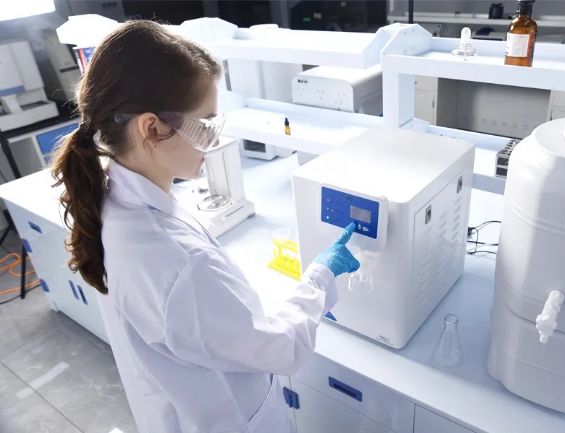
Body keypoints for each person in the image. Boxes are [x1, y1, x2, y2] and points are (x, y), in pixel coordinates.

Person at [51, 20, 360, 433]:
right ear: (151, 127)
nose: (212, 141)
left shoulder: (113, 197)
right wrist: (320, 277)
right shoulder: (177, 260)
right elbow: (280, 349)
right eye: (205, 124)